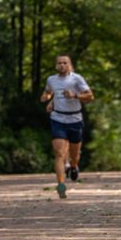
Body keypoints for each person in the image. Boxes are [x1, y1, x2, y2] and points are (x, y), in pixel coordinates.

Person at [39, 54, 93, 198]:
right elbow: (49, 91)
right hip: (58, 119)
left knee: (75, 155)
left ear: (69, 65)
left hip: (75, 119)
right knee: (59, 153)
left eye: (65, 63)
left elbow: (90, 96)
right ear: (56, 65)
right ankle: (61, 184)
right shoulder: (51, 79)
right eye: (59, 63)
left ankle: (73, 166)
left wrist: (75, 96)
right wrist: (46, 97)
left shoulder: (77, 79)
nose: (62, 65)